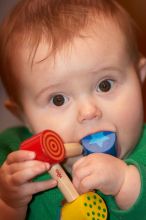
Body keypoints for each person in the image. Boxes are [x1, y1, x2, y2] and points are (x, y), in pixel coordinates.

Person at [0, 0, 146, 219]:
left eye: (104, 85)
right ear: (23, 116)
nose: (88, 112)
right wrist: (8, 204)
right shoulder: (15, 162)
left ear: (140, 76)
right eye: (58, 99)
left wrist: (127, 183)